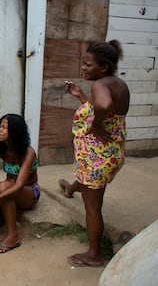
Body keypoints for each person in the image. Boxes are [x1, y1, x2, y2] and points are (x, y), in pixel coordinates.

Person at [58, 40, 130, 267]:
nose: (83, 68)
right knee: (89, 186)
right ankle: (71, 188)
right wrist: (80, 96)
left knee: (92, 207)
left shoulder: (100, 86)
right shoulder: (118, 84)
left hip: (97, 157)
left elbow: (104, 105)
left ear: (104, 67)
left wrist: (96, 126)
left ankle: (94, 254)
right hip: (108, 154)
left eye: (88, 65)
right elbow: (100, 107)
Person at [0, 114, 41, 253]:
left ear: (15, 131)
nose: (0, 130)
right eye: (0, 126)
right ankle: (2, 210)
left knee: (3, 187)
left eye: (5, 127)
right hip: (9, 187)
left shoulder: (28, 153)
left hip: (28, 192)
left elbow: (18, 186)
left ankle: (13, 236)